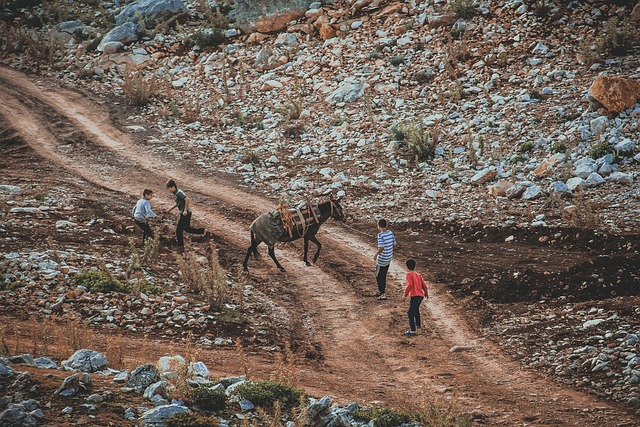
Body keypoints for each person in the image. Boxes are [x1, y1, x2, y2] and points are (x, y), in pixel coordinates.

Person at [166, 179, 207, 253]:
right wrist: (170, 209)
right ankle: (203, 231)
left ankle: (180, 247)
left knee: (178, 231)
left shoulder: (179, 192)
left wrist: (185, 210)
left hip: (186, 214)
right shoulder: (176, 193)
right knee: (187, 229)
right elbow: (178, 203)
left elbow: (187, 199)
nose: (168, 190)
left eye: (168, 188)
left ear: (172, 187)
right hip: (186, 213)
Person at [403, 258, 429, 336]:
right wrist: (426, 293)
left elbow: (409, 285)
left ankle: (413, 330)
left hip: (414, 296)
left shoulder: (408, 274)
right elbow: (424, 285)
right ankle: (418, 325)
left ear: (407, 267)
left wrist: (405, 295)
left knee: (410, 312)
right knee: (416, 310)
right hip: (420, 296)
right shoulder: (418, 275)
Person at [373, 218, 395, 300]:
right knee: (384, 275)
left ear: (378, 226)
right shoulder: (390, 233)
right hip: (389, 258)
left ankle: (382, 293)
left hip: (382, 259)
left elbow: (381, 247)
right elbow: (394, 243)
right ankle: (382, 291)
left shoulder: (380, 235)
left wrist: (375, 255)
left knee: (378, 276)